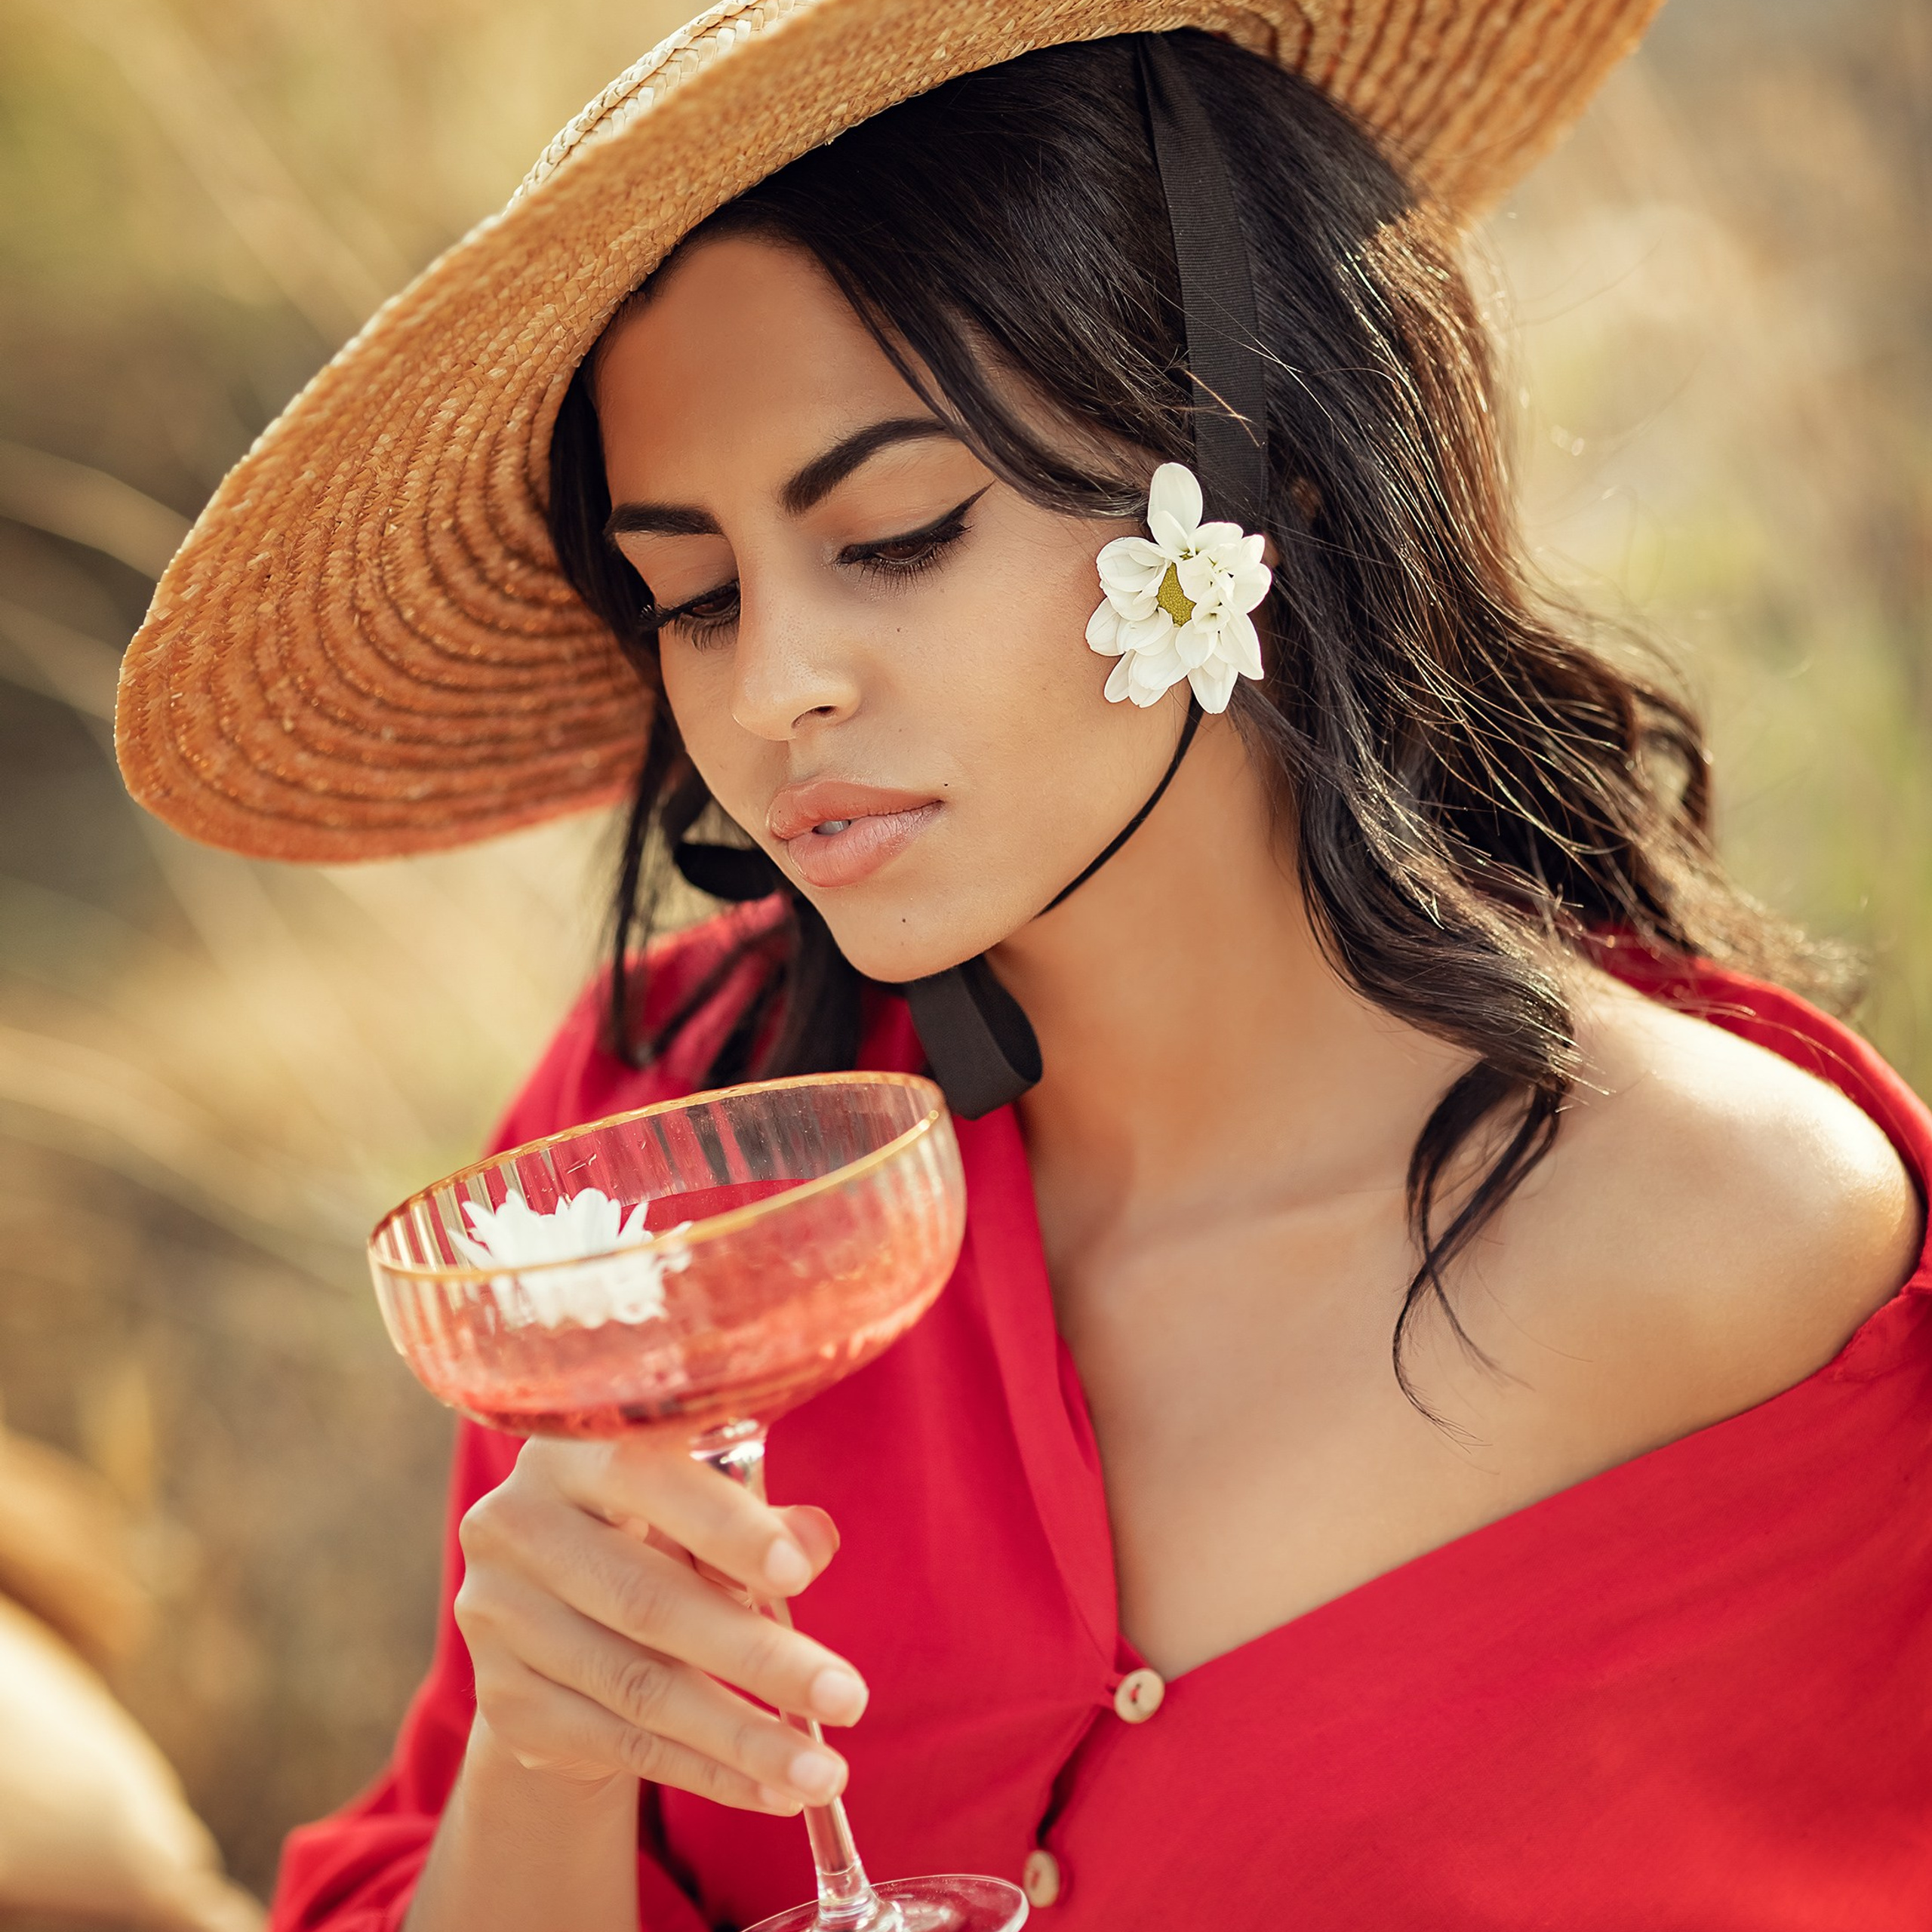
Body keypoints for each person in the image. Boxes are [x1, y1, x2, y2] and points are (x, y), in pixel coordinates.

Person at [116, 5, 1932, 1927]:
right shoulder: (661, 1148)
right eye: (692, 594)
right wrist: (545, 1757)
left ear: (1264, 477)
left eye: (891, 533)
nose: (769, 684)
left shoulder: (1732, 1249)